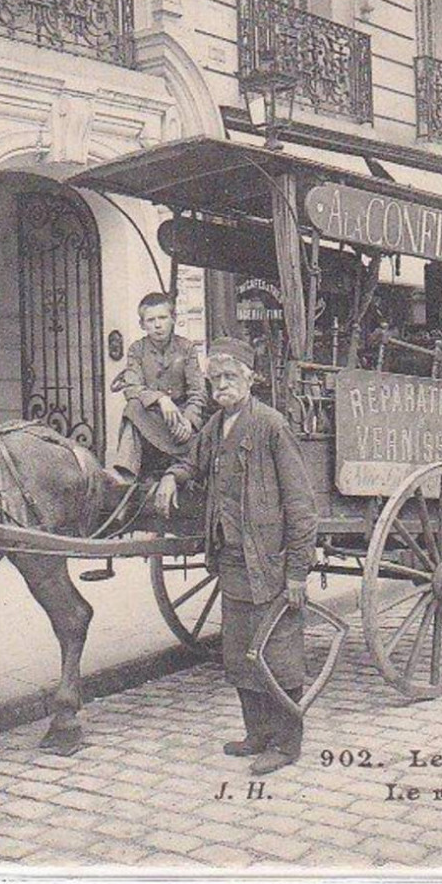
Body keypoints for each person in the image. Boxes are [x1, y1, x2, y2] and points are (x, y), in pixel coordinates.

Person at [154, 337, 318, 776]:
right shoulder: (216, 426)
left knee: (278, 654)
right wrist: (173, 476)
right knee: (240, 650)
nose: (222, 385)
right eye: (216, 379)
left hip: (270, 560)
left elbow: (301, 505)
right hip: (231, 557)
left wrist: (298, 571)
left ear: (249, 379)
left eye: (231, 377)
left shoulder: (270, 426)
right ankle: (258, 734)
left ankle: (286, 744)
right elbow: (193, 460)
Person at [109, 292, 207, 481]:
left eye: (162, 318)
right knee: (133, 406)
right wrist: (161, 399)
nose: (157, 325)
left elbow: (198, 391)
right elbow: (131, 387)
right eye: (151, 320)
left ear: (173, 319)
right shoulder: (137, 350)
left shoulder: (186, 348)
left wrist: (188, 421)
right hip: (152, 419)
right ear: (142, 325)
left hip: (181, 424)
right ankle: (125, 472)